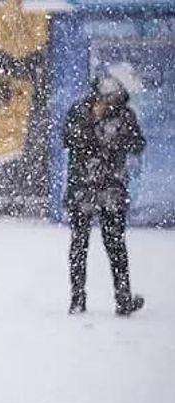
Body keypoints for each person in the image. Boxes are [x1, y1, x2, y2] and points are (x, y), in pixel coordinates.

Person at [63, 75, 146, 316]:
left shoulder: (124, 115)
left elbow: (138, 144)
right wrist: (93, 122)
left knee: (115, 246)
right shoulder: (81, 111)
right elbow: (69, 139)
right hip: (84, 189)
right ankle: (77, 299)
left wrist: (116, 133)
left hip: (111, 189)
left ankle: (122, 299)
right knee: (80, 245)